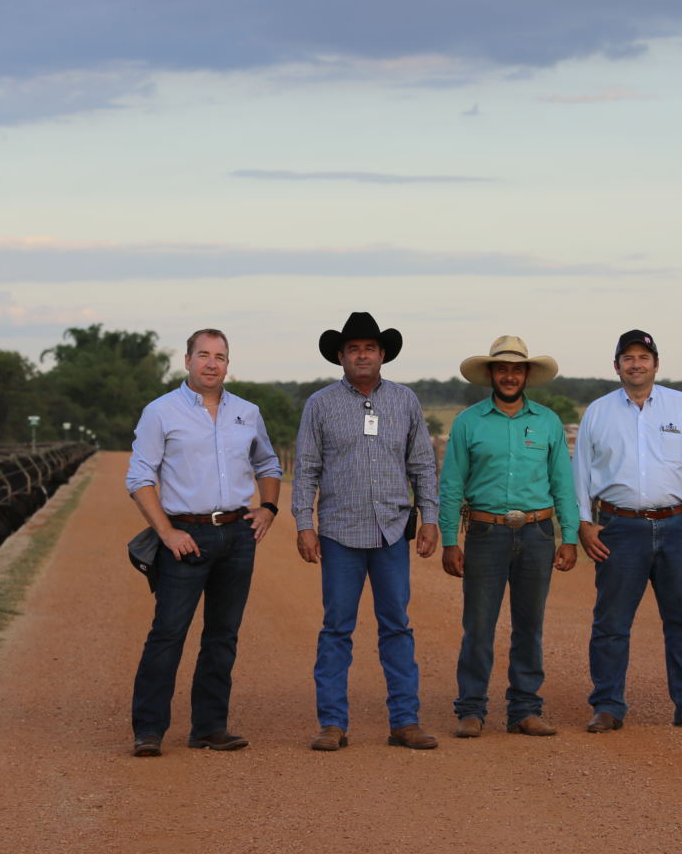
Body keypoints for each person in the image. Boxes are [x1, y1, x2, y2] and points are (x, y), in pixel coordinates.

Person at [125, 328, 282, 757]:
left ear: (228, 363)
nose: (212, 363)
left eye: (221, 356)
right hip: (185, 536)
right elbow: (139, 477)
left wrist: (268, 509)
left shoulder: (247, 413)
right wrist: (166, 532)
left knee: (223, 635)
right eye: (204, 355)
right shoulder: (161, 412)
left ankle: (210, 727)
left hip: (237, 533)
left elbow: (268, 462)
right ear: (187, 360)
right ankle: (149, 730)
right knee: (168, 633)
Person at [293, 312, 441, 751]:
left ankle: (405, 721)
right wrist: (305, 523)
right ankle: (333, 724)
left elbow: (422, 465)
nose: (362, 355)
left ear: (382, 355)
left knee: (396, 626)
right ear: (340, 356)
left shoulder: (405, 401)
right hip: (339, 532)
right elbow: (305, 470)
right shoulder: (320, 404)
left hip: (392, 531)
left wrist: (429, 516)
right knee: (337, 628)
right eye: (354, 348)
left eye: (370, 348)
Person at [573, 329, 682, 731]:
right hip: (619, 528)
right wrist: (584, 524)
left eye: (644, 357)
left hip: (678, 527)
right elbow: (581, 472)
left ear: (656, 364)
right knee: (611, 623)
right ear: (616, 366)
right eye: (628, 358)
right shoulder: (598, 412)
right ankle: (607, 705)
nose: (636, 364)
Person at [439, 336, 579, 739]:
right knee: (479, 625)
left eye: (517, 369)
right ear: (490, 375)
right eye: (502, 369)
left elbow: (563, 484)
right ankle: (471, 710)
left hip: (537, 532)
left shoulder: (548, 422)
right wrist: (451, 540)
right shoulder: (469, 422)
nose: (510, 375)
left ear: (527, 375)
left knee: (529, 625)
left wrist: (569, 536)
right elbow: (451, 485)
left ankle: (525, 710)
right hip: (485, 533)